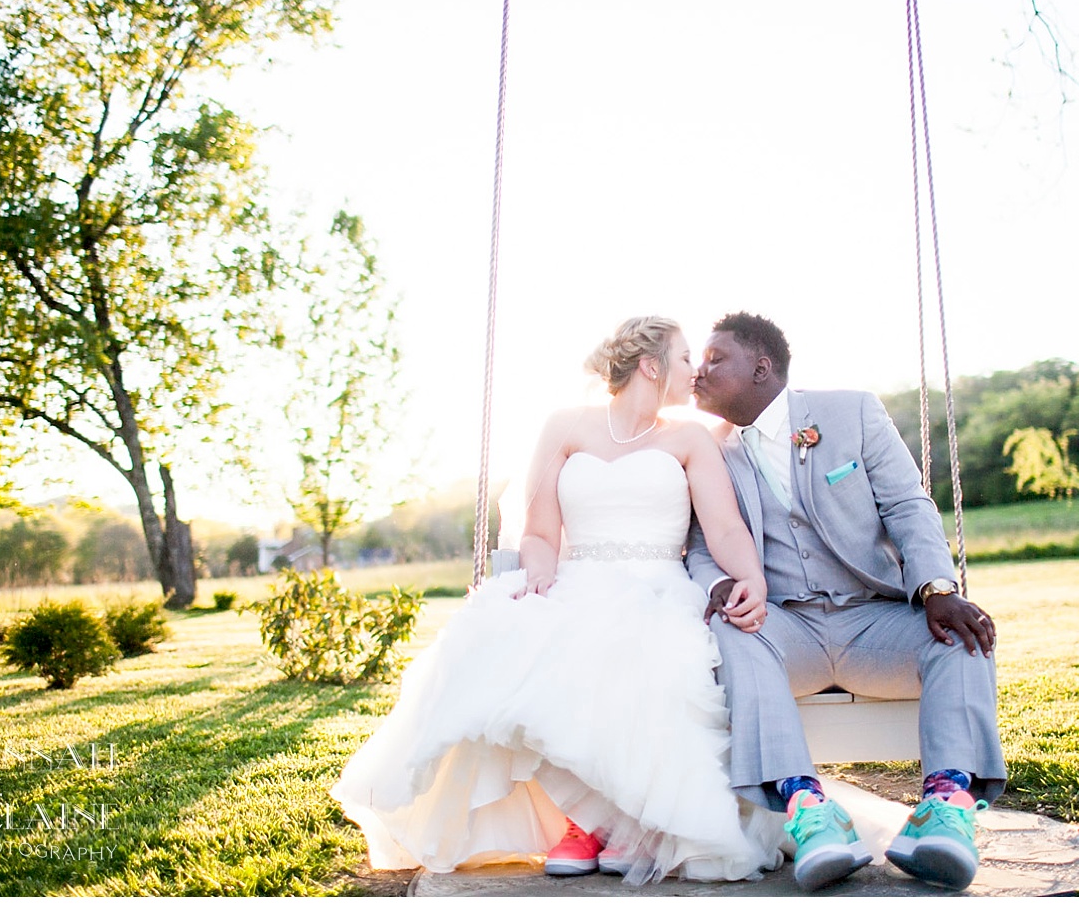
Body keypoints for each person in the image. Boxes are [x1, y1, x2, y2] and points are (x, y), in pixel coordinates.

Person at [331, 316, 785, 886]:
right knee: (521, 642)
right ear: (651, 365)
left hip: (658, 587)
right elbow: (540, 532)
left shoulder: (690, 438)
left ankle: (623, 824)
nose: (694, 370)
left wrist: (753, 580)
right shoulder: (565, 427)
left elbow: (723, 528)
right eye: (685, 356)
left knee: (649, 659)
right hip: (577, 577)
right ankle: (582, 821)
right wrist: (540, 574)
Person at [686, 311, 1007, 893]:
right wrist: (721, 589)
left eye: (714, 359)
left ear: (761, 369)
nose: (696, 372)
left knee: (965, 636)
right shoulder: (707, 451)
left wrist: (937, 588)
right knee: (735, 632)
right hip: (783, 624)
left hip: (873, 618)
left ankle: (944, 811)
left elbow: (909, 506)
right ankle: (811, 812)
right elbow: (701, 546)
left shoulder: (851, 412)